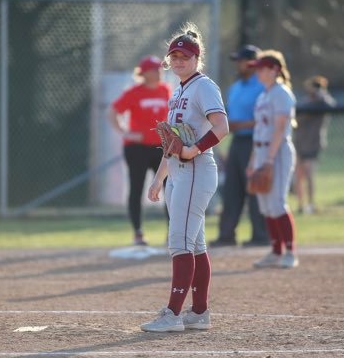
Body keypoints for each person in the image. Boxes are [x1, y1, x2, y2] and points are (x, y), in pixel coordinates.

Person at [140, 23, 229, 332]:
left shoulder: (203, 86)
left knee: (179, 242)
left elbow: (221, 126)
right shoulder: (178, 90)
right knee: (195, 245)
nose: (178, 61)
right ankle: (199, 313)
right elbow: (172, 142)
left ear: (197, 57)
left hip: (196, 170)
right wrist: (159, 178)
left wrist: (194, 150)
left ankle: (173, 314)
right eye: (174, 56)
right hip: (180, 172)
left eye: (185, 56)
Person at [108, 55, 171, 246]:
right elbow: (112, 112)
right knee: (136, 188)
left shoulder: (165, 90)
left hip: (161, 147)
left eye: (160, 68)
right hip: (137, 149)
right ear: (145, 73)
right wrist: (125, 133)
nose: (159, 72)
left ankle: (172, 232)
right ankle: (138, 233)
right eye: (154, 69)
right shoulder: (134, 92)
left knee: (171, 189)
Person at [210, 45, 269, 248]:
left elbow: (268, 119)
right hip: (236, 142)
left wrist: (241, 124)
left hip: (256, 141)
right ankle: (226, 235)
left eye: (242, 60)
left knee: (254, 187)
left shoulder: (262, 86)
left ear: (253, 63)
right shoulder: (235, 87)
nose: (238, 64)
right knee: (232, 189)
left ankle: (260, 235)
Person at [246, 50, 299, 269]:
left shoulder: (281, 93)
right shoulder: (263, 95)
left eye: (262, 68)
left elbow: (279, 128)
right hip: (261, 151)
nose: (258, 72)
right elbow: (259, 129)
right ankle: (276, 252)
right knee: (266, 205)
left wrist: (268, 159)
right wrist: (253, 161)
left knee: (277, 202)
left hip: (277, 152)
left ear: (274, 70)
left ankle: (290, 253)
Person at [293, 76, 336, 214]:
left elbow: (331, 104)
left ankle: (311, 204)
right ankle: (301, 205)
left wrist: (321, 94)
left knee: (309, 174)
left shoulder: (322, 102)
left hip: (313, 143)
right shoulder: (306, 102)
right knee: (298, 176)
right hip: (299, 142)